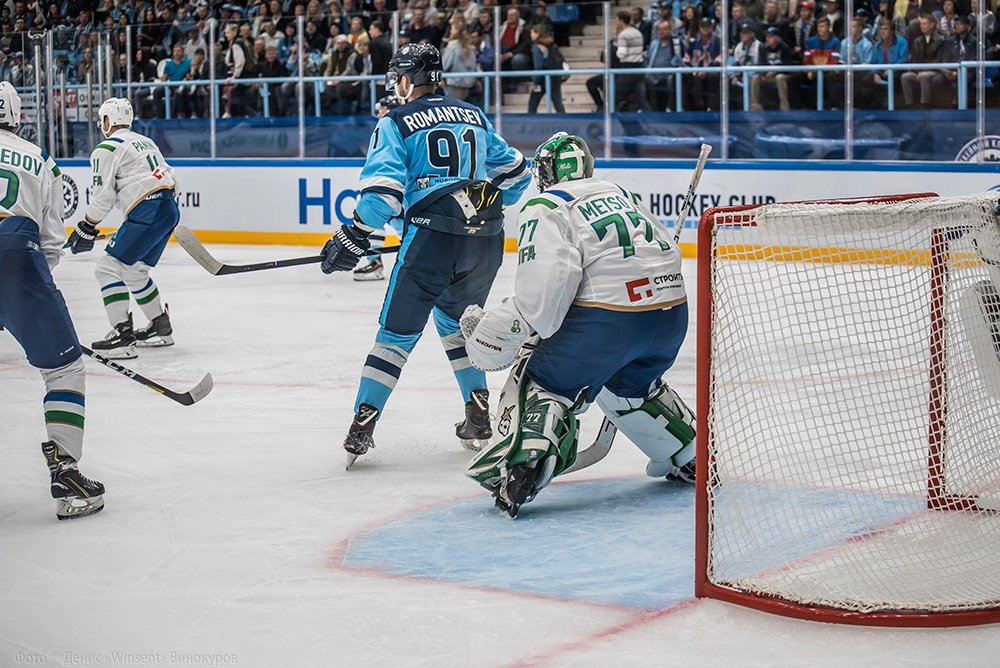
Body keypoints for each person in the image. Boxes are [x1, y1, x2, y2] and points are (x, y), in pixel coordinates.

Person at [318, 43, 531, 469]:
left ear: (405, 79)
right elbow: (518, 175)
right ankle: (477, 415)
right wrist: (474, 216)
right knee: (455, 321)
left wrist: (354, 234)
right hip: (486, 241)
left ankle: (363, 424)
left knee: (396, 336)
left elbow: (383, 195)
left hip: (431, 242)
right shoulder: (474, 114)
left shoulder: (395, 120)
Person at [462, 133, 695, 518]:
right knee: (631, 387)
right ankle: (686, 454)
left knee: (543, 377)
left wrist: (488, 334)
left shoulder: (546, 204)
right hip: (670, 317)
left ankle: (524, 467)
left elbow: (541, 305)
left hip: (609, 324)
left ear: (549, 171)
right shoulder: (622, 193)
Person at [0, 82, 105, 521]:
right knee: (64, 367)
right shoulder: (38, 158)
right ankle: (65, 470)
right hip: (14, 253)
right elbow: (49, 242)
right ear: (15, 114)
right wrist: (29, 299)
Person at [67, 98, 179, 359]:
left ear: (107, 121)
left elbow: (103, 197)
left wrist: (86, 225)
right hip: (168, 207)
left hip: (147, 210)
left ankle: (121, 335)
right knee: (136, 271)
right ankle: (160, 327)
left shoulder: (106, 148)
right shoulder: (145, 141)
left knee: (106, 269)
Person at [352, 93, 401, 282]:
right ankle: (376, 261)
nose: (378, 115)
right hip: (403, 195)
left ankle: (375, 262)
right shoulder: (394, 126)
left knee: (372, 209)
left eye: (381, 111)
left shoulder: (393, 126)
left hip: (401, 193)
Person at [751, 25, 795, 109]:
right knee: (755, 78)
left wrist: (774, 73)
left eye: (770, 37)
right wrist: (762, 74)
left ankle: (784, 106)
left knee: (780, 77)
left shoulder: (785, 48)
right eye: (767, 36)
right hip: (767, 74)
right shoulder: (763, 48)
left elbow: (787, 65)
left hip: (780, 74)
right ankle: (754, 105)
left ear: (777, 38)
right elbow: (761, 63)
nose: (767, 39)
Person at [527, 22, 566, 112]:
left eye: (532, 32)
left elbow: (538, 66)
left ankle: (529, 124)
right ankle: (566, 123)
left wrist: (536, 82)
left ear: (537, 34)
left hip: (542, 79)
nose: (530, 35)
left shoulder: (536, 47)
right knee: (558, 103)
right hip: (555, 77)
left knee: (532, 103)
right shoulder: (551, 44)